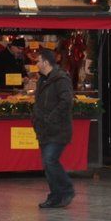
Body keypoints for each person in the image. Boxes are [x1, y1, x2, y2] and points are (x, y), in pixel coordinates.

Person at [32, 49, 75, 209]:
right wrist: (36, 119)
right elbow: (39, 103)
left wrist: (51, 118)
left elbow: (66, 101)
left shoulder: (61, 79)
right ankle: (56, 196)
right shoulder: (42, 80)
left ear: (45, 62)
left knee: (50, 160)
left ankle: (66, 190)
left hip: (58, 129)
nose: (36, 64)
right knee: (48, 163)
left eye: (38, 61)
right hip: (44, 129)